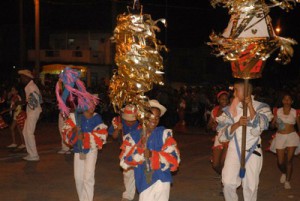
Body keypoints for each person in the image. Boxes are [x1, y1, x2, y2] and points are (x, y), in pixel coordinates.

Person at [216, 81, 273, 201]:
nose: (234, 93)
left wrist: (250, 107)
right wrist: (237, 124)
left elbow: (260, 127)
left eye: (236, 90)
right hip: (234, 150)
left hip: (253, 150)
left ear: (246, 91)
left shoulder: (262, 107)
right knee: (227, 182)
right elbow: (221, 136)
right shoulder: (230, 109)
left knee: (251, 186)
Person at [120, 100, 180, 201]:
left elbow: (175, 158)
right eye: (151, 116)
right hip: (144, 182)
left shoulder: (164, 134)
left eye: (157, 117)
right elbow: (124, 161)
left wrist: (153, 154)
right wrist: (139, 150)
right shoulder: (133, 137)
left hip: (162, 179)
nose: (154, 120)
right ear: (143, 116)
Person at [108, 104, 141, 201]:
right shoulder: (118, 121)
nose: (130, 123)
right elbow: (113, 136)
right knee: (127, 173)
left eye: (132, 120)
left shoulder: (141, 123)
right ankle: (128, 195)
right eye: (128, 120)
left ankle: (143, 192)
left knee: (141, 172)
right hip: (126, 151)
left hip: (139, 149)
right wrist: (118, 129)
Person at [269, 93, 300, 189]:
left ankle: (287, 181)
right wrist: (274, 122)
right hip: (280, 136)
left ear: (292, 101)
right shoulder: (277, 111)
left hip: (292, 136)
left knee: (289, 160)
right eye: (285, 99)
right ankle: (284, 172)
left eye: (289, 99)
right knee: (280, 161)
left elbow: (299, 125)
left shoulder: (295, 112)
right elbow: (272, 127)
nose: (286, 101)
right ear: (282, 101)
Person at [18, 69, 43, 161]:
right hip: (31, 111)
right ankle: (31, 153)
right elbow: (37, 99)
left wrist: (26, 103)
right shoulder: (29, 86)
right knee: (25, 132)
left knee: (29, 133)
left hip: (33, 111)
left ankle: (34, 155)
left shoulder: (31, 87)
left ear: (26, 77)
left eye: (22, 77)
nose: (21, 79)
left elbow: (36, 100)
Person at [207, 91, 229, 175]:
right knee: (215, 165)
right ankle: (226, 177)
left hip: (229, 138)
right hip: (218, 137)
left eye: (226, 99)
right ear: (218, 100)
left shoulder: (231, 110)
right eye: (222, 99)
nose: (224, 101)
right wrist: (212, 125)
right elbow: (208, 126)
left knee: (224, 162)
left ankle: (227, 180)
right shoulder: (215, 110)